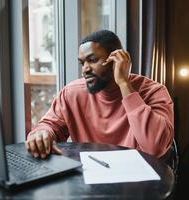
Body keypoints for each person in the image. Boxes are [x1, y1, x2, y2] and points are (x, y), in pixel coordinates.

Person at [25, 30, 174, 159]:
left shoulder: (154, 92)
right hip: (90, 178)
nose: (85, 69)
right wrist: (41, 133)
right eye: (82, 63)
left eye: (93, 60)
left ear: (117, 60)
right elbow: (50, 125)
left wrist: (123, 83)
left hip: (141, 183)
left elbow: (156, 146)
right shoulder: (72, 93)